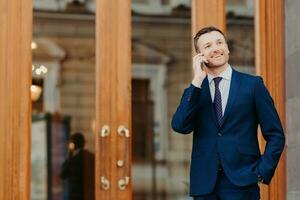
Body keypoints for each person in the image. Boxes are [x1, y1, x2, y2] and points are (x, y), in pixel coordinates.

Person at [171, 26, 285, 200]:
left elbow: (276, 134)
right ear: (199, 55)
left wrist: (262, 172)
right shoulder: (194, 90)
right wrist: (197, 80)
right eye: (207, 46)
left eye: (219, 42)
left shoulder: (252, 85)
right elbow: (180, 126)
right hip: (204, 186)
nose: (216, 48)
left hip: (242, 182)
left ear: (227, 48)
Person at [61, 132, 85, 200]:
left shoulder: (74, 159)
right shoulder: (86, 156)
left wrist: (70, 154)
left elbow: (63, 174)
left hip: (76, 193)